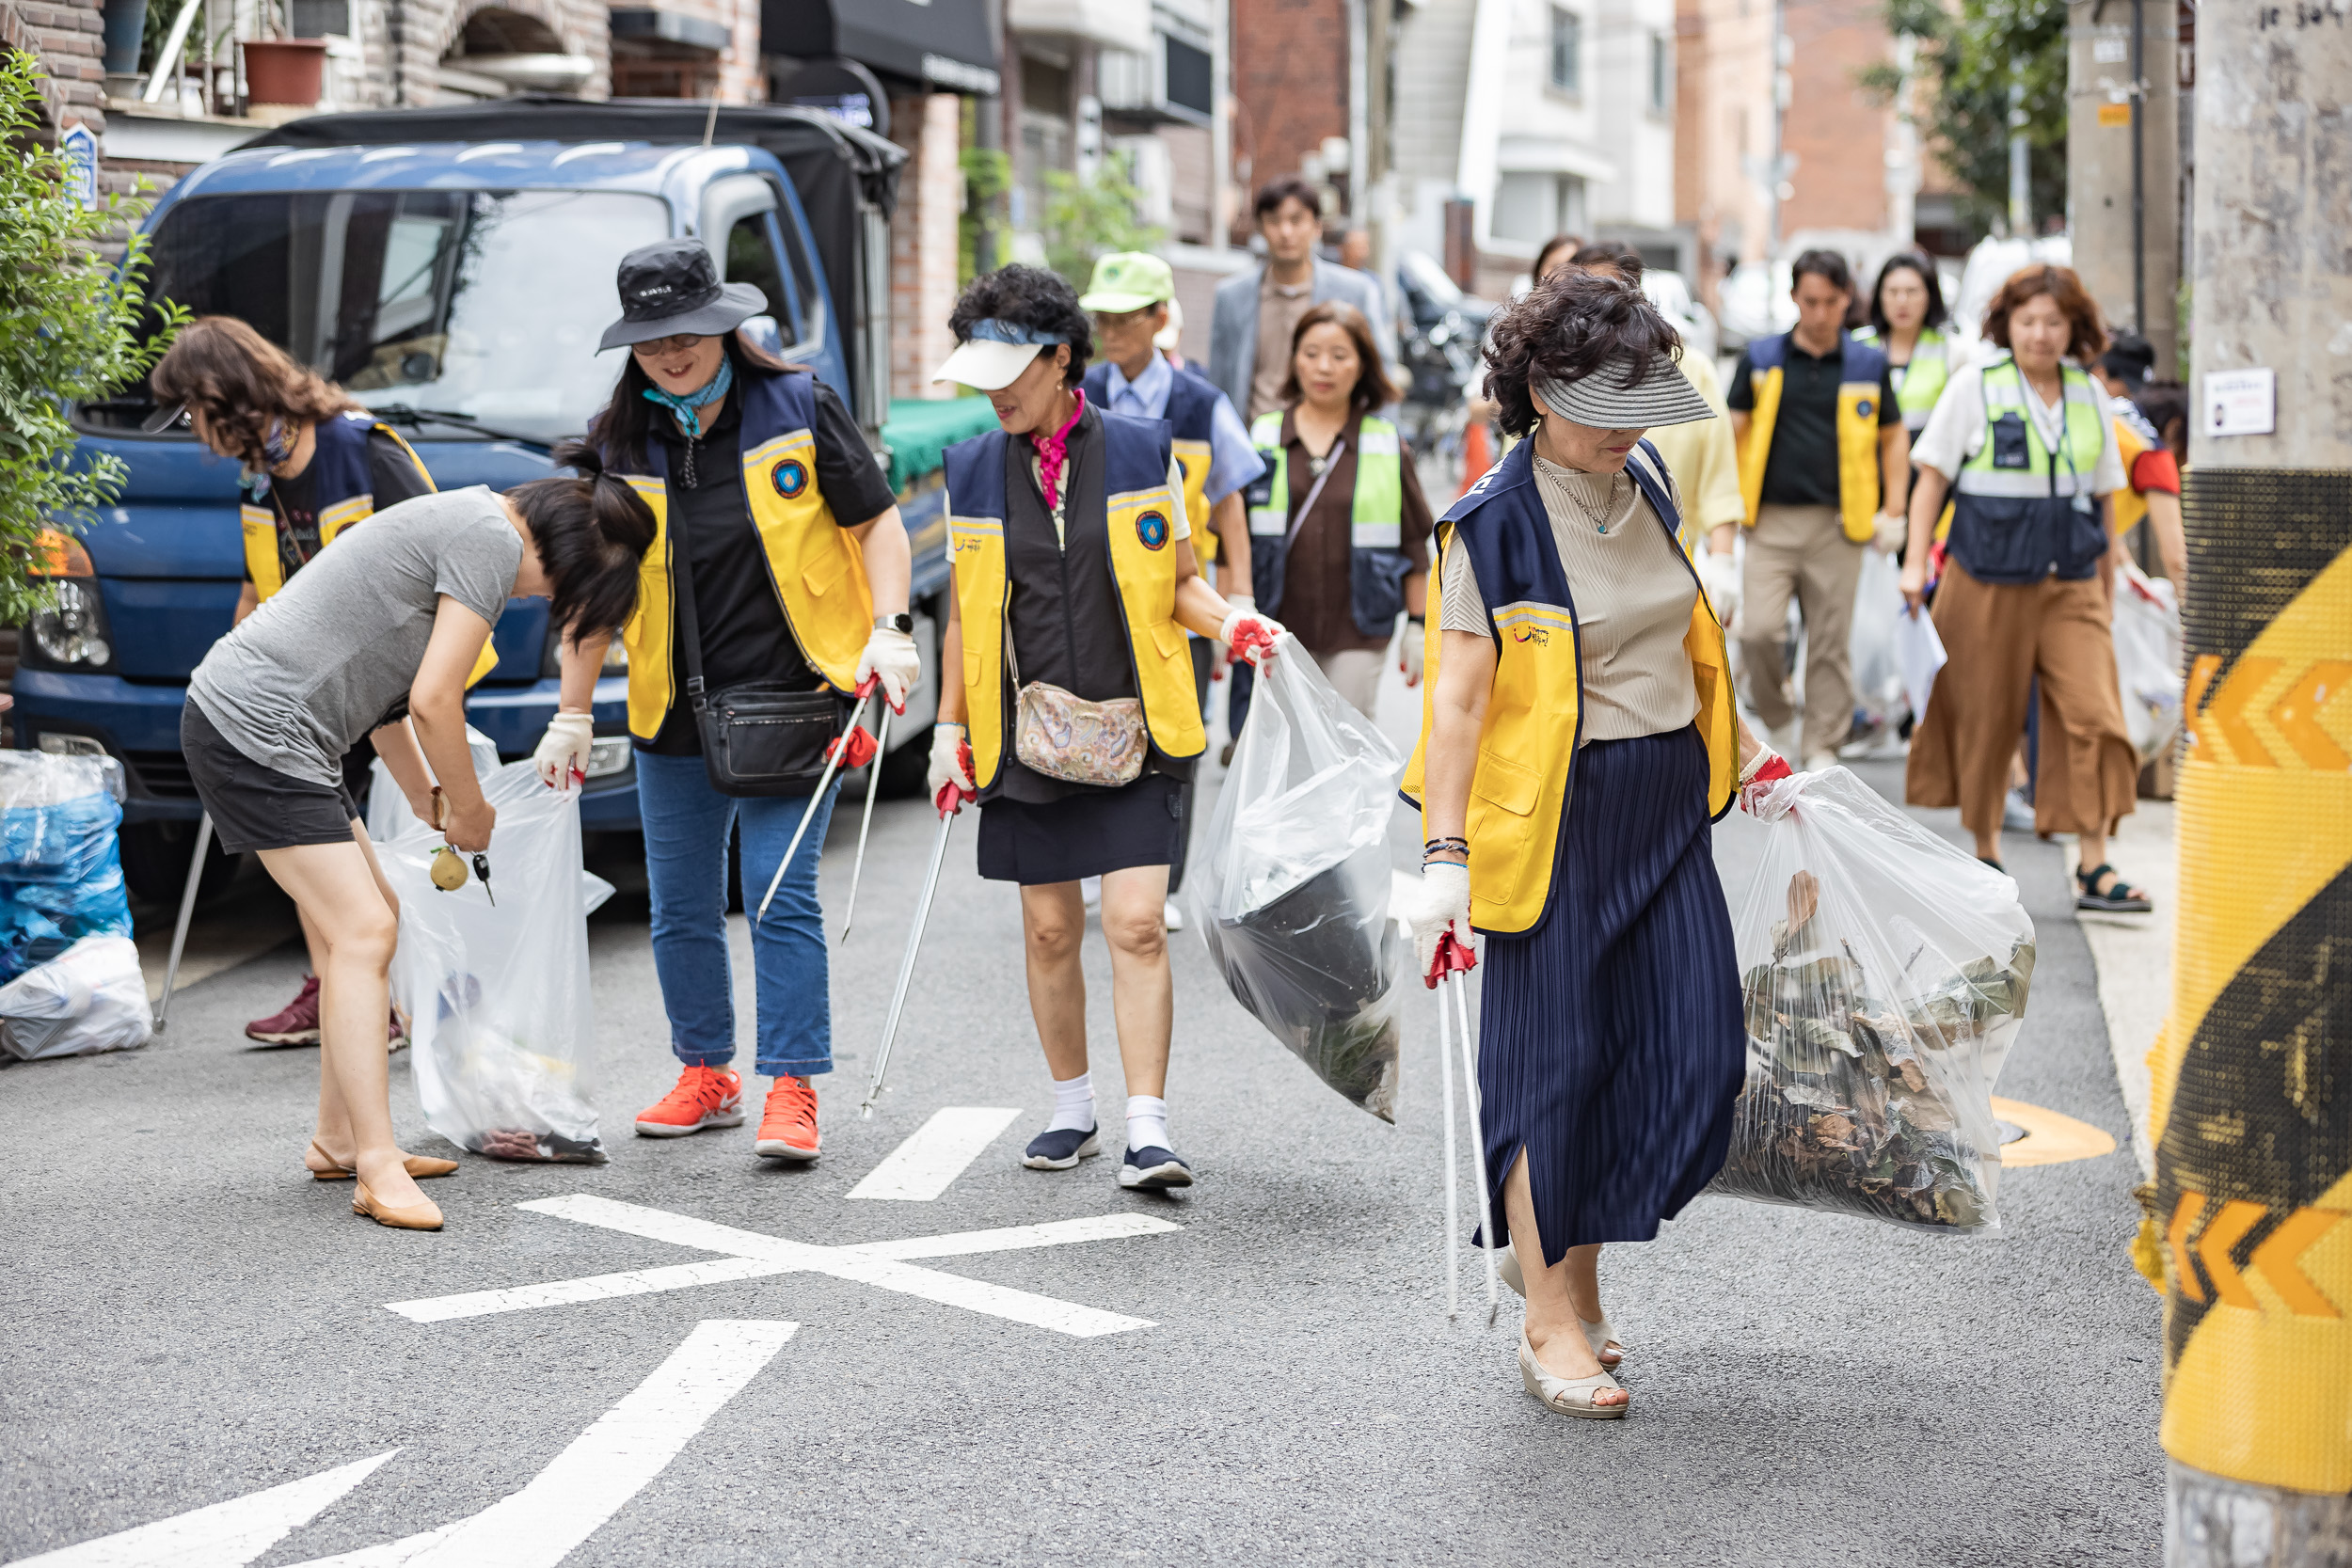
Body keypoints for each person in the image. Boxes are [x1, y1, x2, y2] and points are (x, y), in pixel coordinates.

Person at [1400, 266, 1783, 1418]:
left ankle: (1561, 1254)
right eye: (1608, 409)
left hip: (1664, 797)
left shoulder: (1650, 480)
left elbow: (1686, 636)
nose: (1630, 432)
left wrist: (1747, 747)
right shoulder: (1491, 525)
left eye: (1642, 405)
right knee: (1551, 1064)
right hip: (1552, 820)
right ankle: (1550, 1309)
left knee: (1694, 1052)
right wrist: (1444, 854)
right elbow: (1458, 706)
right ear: (1540, 392)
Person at [181, 451, 657, 1229]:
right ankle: (375, 1165)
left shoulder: (471, 521)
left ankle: (338, 1140)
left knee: (370, 925)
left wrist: (425, 796)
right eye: (569, 592)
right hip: (257, 729)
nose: (546, 602)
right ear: (568, 556)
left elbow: (391, 701)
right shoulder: (489, 539)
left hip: (289, 731)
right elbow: (438, 698)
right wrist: (468, 815)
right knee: (365, 930)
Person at [535, 239, 917, 1163]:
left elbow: (878, 526)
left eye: (687, 331)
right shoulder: (620, 442)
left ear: (723, 322)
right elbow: (594, 593)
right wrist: (573, 710)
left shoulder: (796, 403)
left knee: (778, 897)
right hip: (670, 712)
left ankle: (792, 1084)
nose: (672, 352)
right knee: (679, 907)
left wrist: (891, 626)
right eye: (651, 337)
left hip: (791, 701)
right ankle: (705, 1071)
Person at [926, 266, 1284, 1192]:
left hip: (1139, 727)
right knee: (1048, 930)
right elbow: (967, 613)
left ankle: (1146, 1125)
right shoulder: (967, 470)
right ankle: (1071, 1105)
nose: (995, 392)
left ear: (1059, 359)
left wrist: (1233, 624)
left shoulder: (1139, 449)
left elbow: (1181, 578)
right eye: (982, 373)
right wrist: (945, 732)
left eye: (1010, 371)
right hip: (1026, 736)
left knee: (1132, 923)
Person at [148, 316, 443, 1052]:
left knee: (422, 835)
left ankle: (429, 987)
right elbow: (257, 588)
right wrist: (231, 665)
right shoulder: (260, 475)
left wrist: (434, 694)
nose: (193, 431)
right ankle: (339, 986)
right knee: (315, 843)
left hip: (398, 685)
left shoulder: (359, 447)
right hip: (308, 695)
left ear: (228, 396)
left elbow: (442, 565)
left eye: (192, 412)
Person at [1899, 264, 2149, 911]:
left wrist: (2108, 577)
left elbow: (2103, 499)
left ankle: (2094, 863)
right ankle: (1984, 852)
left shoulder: (2089, 395)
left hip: (2070, 584)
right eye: (2028, 320)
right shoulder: (1974, 387)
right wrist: (1911, 564)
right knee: (1988, 719)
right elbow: (1930, 481)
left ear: (2075, 329)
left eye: (2054, 322)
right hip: (1984, 580)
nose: (2040, 334)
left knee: (2096, 715)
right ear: (2006, 325)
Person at [1077, 251, 1265, 925]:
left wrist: (1237, 595)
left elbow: (1231, 500)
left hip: (1180, 607)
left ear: (1161, 318)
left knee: (1176, 741)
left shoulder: (1200, 403)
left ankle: (1167, 883)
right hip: (1095, 603)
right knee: (1096, 727)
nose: (1111, 328)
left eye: (1126, 316)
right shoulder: (1082, 393)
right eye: (1103, 315)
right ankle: (1104, 866)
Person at [1724, 249, 1911, 770]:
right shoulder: (1761, 358)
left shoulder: (1867, 363)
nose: (1821, 312)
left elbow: (1893, 439)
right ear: (1793, 299)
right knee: (1759, 631)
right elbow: (1729, 432)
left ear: (1847, 299)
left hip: (1839, 523)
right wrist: (1722, 508)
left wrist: (1893, 510)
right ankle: (1780, 716)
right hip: (1770, 521)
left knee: (1830, 643)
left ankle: (1821, 745)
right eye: (1810, 301)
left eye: (1832, 301)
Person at [1244, 301, 1435, 718]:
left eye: (1339, 356)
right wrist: (1233, 612)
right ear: (1294, 360)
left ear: (1362, 365)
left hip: (1361, 629)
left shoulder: (1387, 443)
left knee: (1347, 747)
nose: (1323, 368)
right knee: (1289, 754)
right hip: (1276, 626)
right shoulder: (1262, 437)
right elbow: (1231, 538)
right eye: (1311, 354)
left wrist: (1418, 627)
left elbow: (1415, 544)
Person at [1554, 245, 1743, 568]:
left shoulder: (1690, 372)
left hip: (1668, 560)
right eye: (1588, 292)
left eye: (1614, 291)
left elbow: (1719, 479)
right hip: (1571, 558)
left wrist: (1723, 561)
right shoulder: (1554, 374)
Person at [1208, 177, 1395, 423]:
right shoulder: (1232, 296)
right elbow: (1219, 379)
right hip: (1254, 441)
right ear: (1261, 228)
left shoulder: (1355, 292)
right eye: (1274, 221)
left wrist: (1381, 438)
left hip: (1332, 442)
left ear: (1317, 227)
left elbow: (1381, 373)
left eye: (1296, 220)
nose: (1286, 232)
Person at [2091, 333, 2188, 587]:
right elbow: (2176, 557)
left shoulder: (2100, 418)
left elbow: (2104, 517)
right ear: (2175, 428)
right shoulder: (2152, 453)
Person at [1853, 253, 1952, 443]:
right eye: (1892, 291)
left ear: (1930, 296)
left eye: (1912, 291)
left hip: (1925, 464)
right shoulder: (1857, 344)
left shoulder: (1950, 349)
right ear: (1879, 296)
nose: (1902, 301)